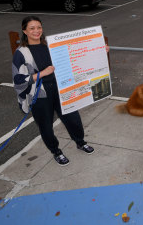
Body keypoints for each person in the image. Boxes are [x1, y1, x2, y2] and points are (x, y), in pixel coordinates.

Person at [12, 16, 95, 166]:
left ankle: (80, 142)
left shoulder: (52, 45)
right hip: (40, 94)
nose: (36, 31)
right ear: (24, 31)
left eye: (39, 27)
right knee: (46, 126)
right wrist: (41, 74)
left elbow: (77, 54)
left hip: (61, 89)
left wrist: (99, 50)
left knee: (73, 118)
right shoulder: (21, 53)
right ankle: (56, 151)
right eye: (32, 28)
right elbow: (18, 80)